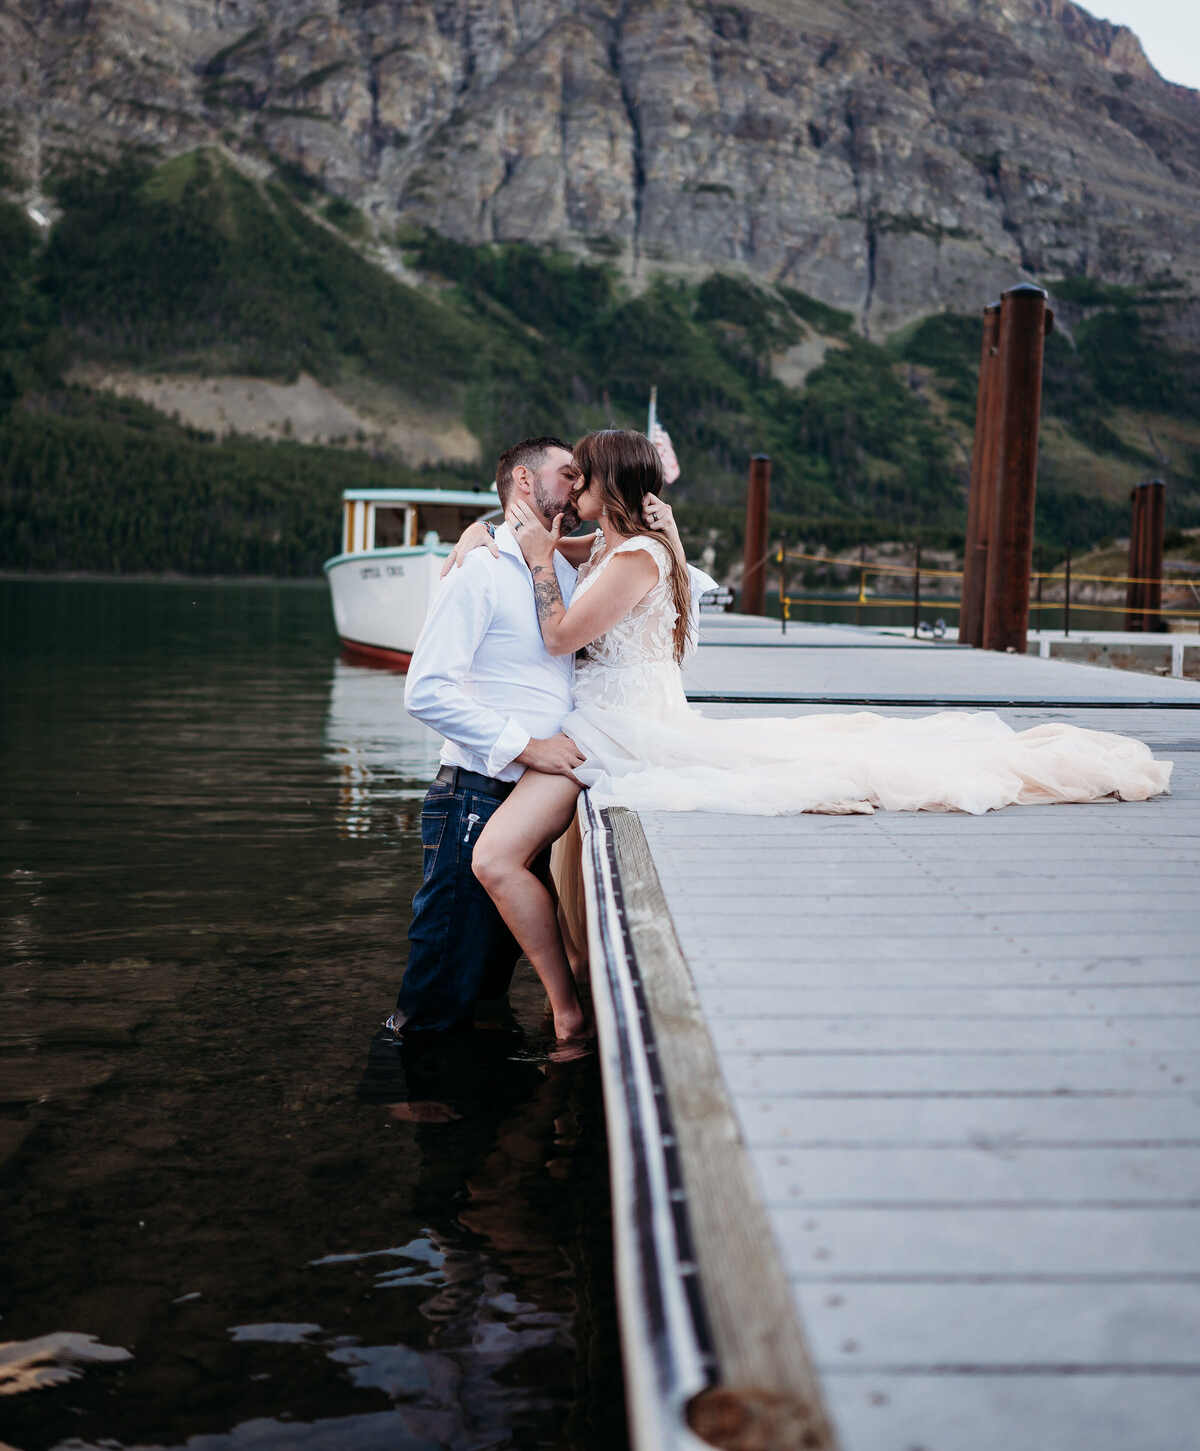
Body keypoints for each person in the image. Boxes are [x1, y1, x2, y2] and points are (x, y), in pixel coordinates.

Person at [464, 431, 1171, 944]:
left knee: (783, 769)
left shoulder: (634, 556)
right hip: (616, 707)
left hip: (624, 718)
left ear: (606, 487)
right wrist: (478, 538)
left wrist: (531, 565)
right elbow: (550, 547)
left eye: (580, 480)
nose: (572, 492)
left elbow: (559, 636)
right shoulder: (617, 545)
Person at [382, 434, 591, 1069]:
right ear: (525, 484)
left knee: (484, 993)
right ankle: (408, 1110)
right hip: (473, 799)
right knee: (436, 996)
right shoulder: (478, 571)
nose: (578, 486)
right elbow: (426, 691)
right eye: (567, 474)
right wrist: (529, 748)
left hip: (530, 806)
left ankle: (471, 1127)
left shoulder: (563, 569)